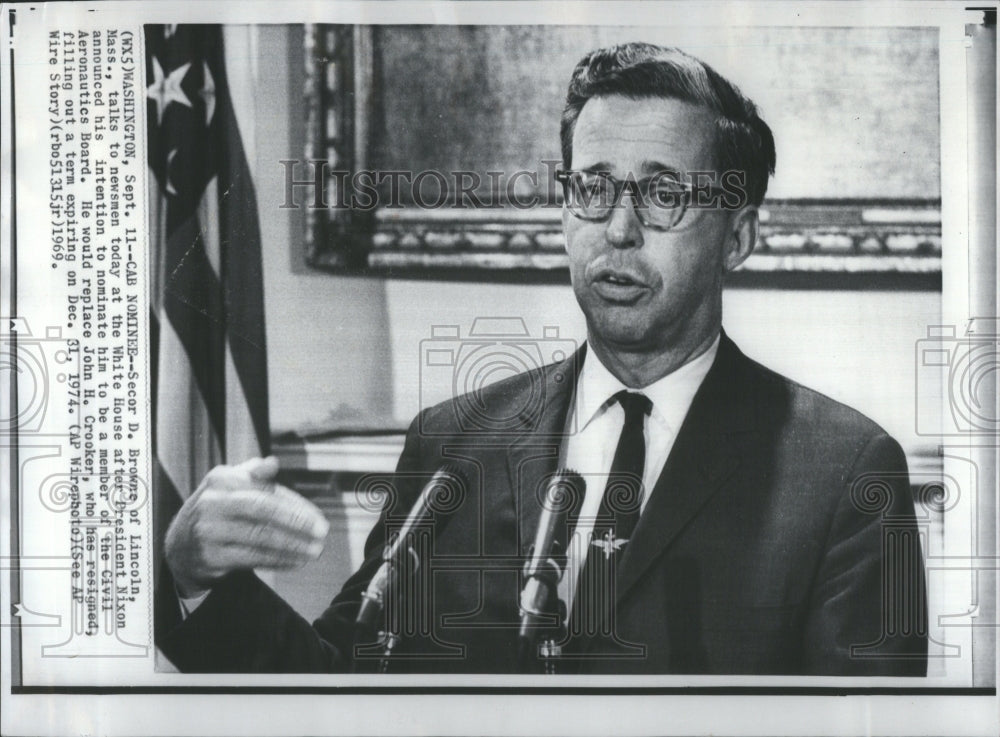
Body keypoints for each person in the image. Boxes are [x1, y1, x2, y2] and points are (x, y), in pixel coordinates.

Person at [156, 42, 928, 675]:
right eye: (592, 188)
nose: (618, 228)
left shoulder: (843, 470)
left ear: (739, 236)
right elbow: (343, 683)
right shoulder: (453, 441)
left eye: (663, 195)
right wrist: (196, 580)